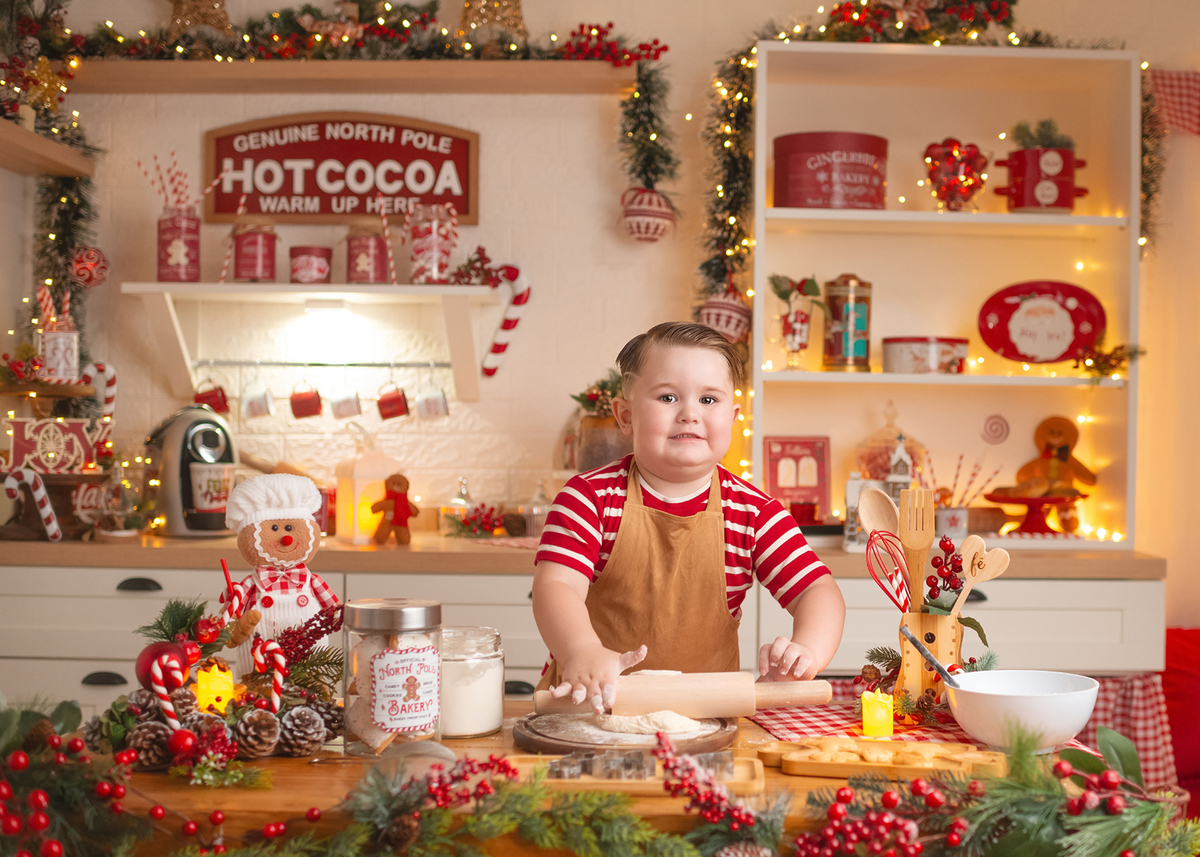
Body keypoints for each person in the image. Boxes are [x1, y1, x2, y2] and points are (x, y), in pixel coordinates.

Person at [533, 321, 845, 713]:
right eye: (667, 397)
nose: (689, 414)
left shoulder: (754, 512)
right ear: (626, 416)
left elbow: (817, 591)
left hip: (705, 719)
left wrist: (807, 653)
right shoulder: (588, 499)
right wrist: (582, 650)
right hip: (590, 710)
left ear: (733, 418)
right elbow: (556, 586)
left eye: (709, 401)